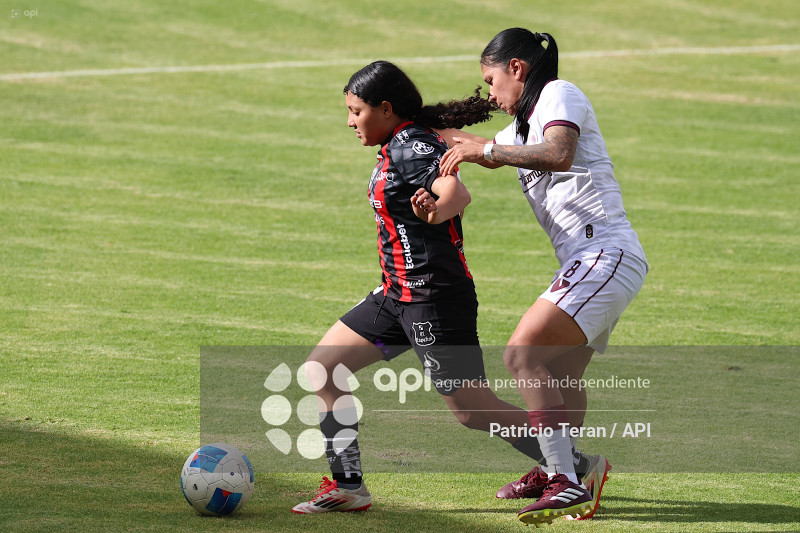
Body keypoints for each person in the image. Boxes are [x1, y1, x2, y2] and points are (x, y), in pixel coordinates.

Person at [292, 60, 586, 515]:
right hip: (395, 296)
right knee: (323, 370)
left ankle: (573, 464)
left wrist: (436, 209)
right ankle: (348, 487)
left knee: (472, 409)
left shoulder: (411, 146)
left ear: (385, 108)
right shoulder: (399, 142)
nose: (350, 121)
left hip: (434, 299)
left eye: (356, 111)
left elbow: (456, 194)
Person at [435, 28, 649, 526]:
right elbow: (471, 144)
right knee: (558, 373)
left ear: (517, 68)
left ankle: (564, 482)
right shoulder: (521, 127)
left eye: (492, 80)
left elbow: (558, 154)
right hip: (595, 262)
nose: (490, 94)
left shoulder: (558, 93)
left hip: (604, 254)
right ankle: (566, 469)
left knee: (522, 354)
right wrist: (412, 124)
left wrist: (487, 153)